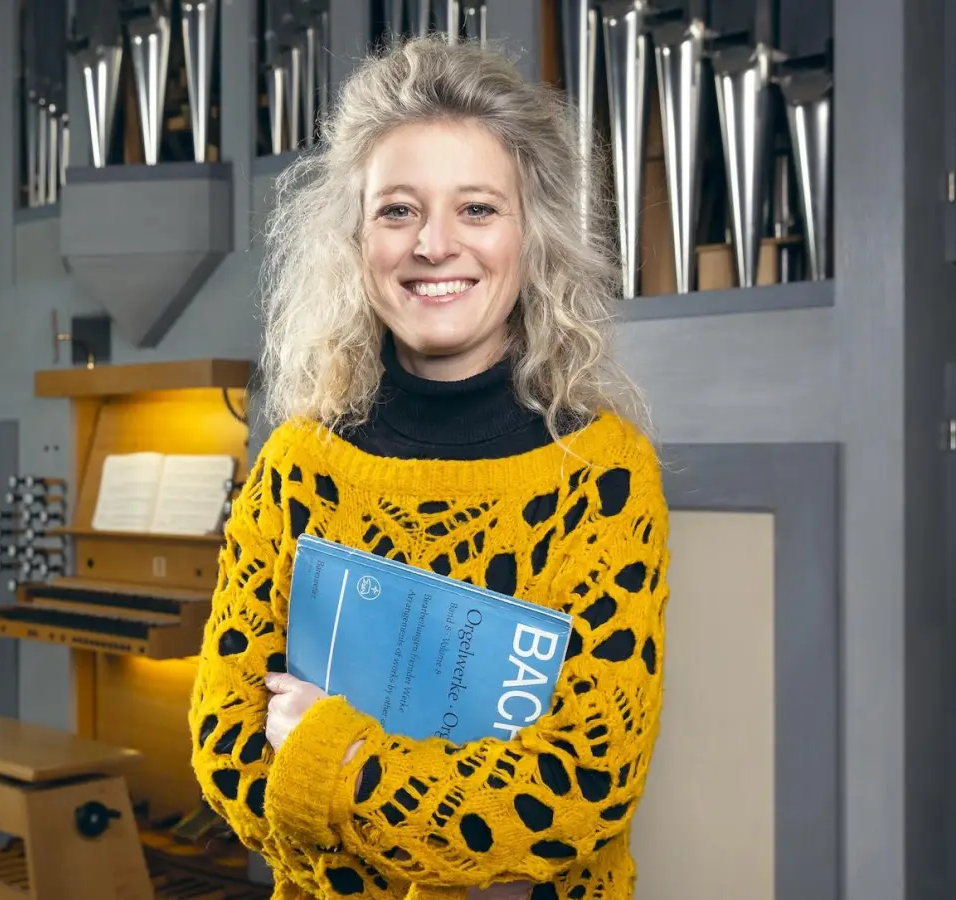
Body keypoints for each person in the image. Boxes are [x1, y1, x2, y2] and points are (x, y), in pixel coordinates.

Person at [188, 34, 670, 900]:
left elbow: (576, 793)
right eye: (398, 210)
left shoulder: (604, 475)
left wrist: (328, 760)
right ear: (354, 238)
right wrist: (437, 810)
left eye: (478, 209)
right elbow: (227, 753)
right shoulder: (297, 467)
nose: (434, 245)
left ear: (534, 234)